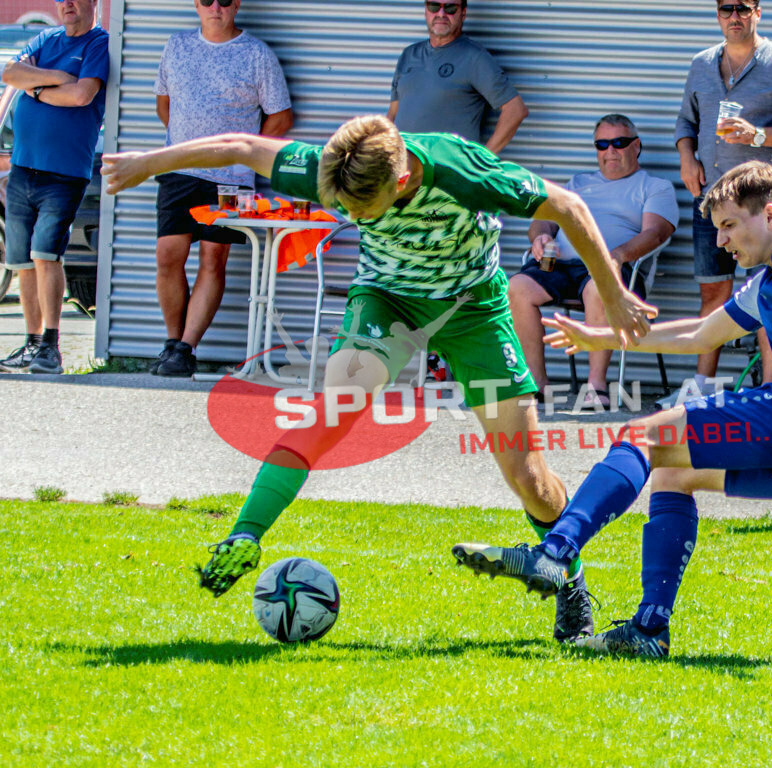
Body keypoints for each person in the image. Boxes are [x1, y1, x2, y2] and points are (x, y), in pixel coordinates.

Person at [101, 114, 656, 642]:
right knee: (333, 410)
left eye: (364, 211)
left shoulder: (465, 172)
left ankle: (569, 576)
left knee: (527, 473)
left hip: (473, 312)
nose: (357, 219)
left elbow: (569, 206)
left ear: (404, 178)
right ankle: (245, 532)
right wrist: (148, 163)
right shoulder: (339, 163)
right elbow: (241, 147)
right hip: (385, 302)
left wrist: (612, 294)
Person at [453, 160, 772, 658]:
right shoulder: (767, 286)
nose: (721, 242)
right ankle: (650, 630)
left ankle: (555, 551)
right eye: (718, 230)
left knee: (640, 438)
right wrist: (598, 335)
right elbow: (698, 334)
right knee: (675, 474)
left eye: (730, 226)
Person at [674, 0, 772, 395]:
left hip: (759, 205)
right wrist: (687, 158)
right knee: (714, 291)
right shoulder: (702, 63)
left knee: (769, 293)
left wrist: (757, 136)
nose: (733, 17)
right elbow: (686, 120)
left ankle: (771, 389)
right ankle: (703, 386)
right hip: (710, 197)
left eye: (742, 8)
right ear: (716, 14)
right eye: (725, 8)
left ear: (758, 12)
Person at [150, 0, 292, 377]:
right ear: (196, 4)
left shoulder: (257, 54)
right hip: (179, 169)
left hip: (232, 178)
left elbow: (281, 117)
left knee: (214, 258)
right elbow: (164, 106)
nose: (216, 6)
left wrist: (244, 154)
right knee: (168, 255)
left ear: (237, 5)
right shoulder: (176, 46)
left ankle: (185, 348)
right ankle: (171, 342)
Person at [508, 114, 677, 408]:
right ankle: (536, 385)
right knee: (517, 288)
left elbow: (656, 233)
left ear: (636, 146)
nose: (610, 151)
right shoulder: (577, 183)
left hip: (612, 269)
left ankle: (596, 386)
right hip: (560, 265)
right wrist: (541, 237)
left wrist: (617, 255)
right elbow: (544, 220)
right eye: (602, 144)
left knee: (599, 287)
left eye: (619, 143)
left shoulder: (654, 186)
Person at [0, 0, 108, 375]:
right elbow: (12, 73)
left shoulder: (98, 44)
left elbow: (82, 96)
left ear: (93, 2)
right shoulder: (46, 38)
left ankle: (50, 347)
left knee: (47, 254)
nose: (68, 4)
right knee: (21, 260)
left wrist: (37, 88)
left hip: (64, 172)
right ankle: (31, 345)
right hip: (21, 168)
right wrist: (57, 78)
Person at [387, 0, 528, 155]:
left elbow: (515, 110)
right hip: (406, 170)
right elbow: (393, 113)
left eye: (450, 8)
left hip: (448, 173)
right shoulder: (408, 55)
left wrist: (483, 161)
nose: (441, 14)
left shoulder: (475, 58)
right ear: (426, 10)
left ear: (463, 13)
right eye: (434, 6)